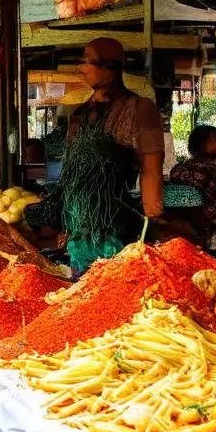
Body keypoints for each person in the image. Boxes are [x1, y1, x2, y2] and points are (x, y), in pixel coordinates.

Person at [25, 38, 165, 270]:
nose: (81, 67)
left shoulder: (140, 109)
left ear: (111, 67)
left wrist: (152, 218)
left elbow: (151, 167)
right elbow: (69, 172)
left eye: (88, 61)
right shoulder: (78, 115)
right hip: (79, 231)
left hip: (117, 228)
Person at [169, 124, 216, 233]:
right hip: (206, 222)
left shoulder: (181, 167)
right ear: (203, 144)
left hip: (195, 219)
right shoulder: (206, 166)